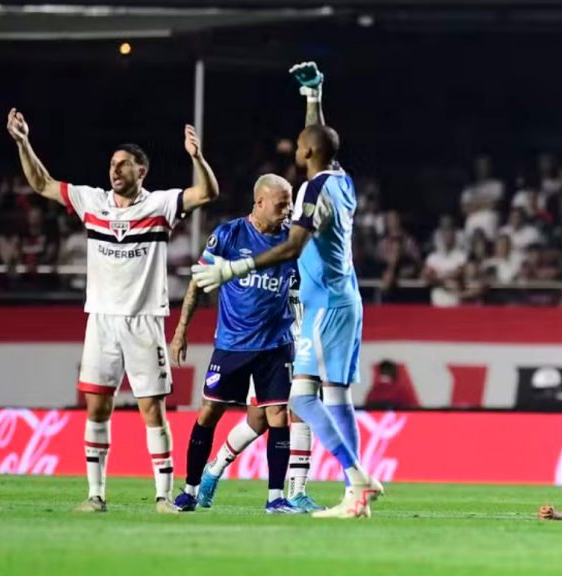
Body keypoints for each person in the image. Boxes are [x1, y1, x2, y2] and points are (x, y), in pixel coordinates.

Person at [192, 61, 382, 518]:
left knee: (301, 400)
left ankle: (355, 479)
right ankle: (354, 493)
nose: (296, 144)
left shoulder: (312, 194)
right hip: (343, 300)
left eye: (300, 144)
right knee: (331, 397)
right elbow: (321, 142)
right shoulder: (341, 180)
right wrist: (313, 97)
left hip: (322, 307)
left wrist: (231, 270)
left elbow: (293, 247)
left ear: (307, 153)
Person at [6, 109, 219, 513]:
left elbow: (206, 193)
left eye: (123, 164)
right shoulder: (93, 202)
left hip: (144, 321)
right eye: (111, 164)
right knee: (97, 405)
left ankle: (162, 496)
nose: (115, 170)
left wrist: (197, 158)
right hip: (101, 320)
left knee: (151, 409)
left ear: (142, 169)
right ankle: (96, 495)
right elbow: (42, 183)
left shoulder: (159, 205)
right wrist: (23, 142)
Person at [170, 174, 305, 514]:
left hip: (276, 344)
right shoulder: (229, 235)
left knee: (277, 416)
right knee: (209, 412)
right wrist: (181, 329)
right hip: (232, 344)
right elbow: (198, 282)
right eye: (281, 204)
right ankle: (190, 488)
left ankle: (276, 498)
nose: (287, 210)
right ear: (259, 202)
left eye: (289, 203)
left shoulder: (291, 241)